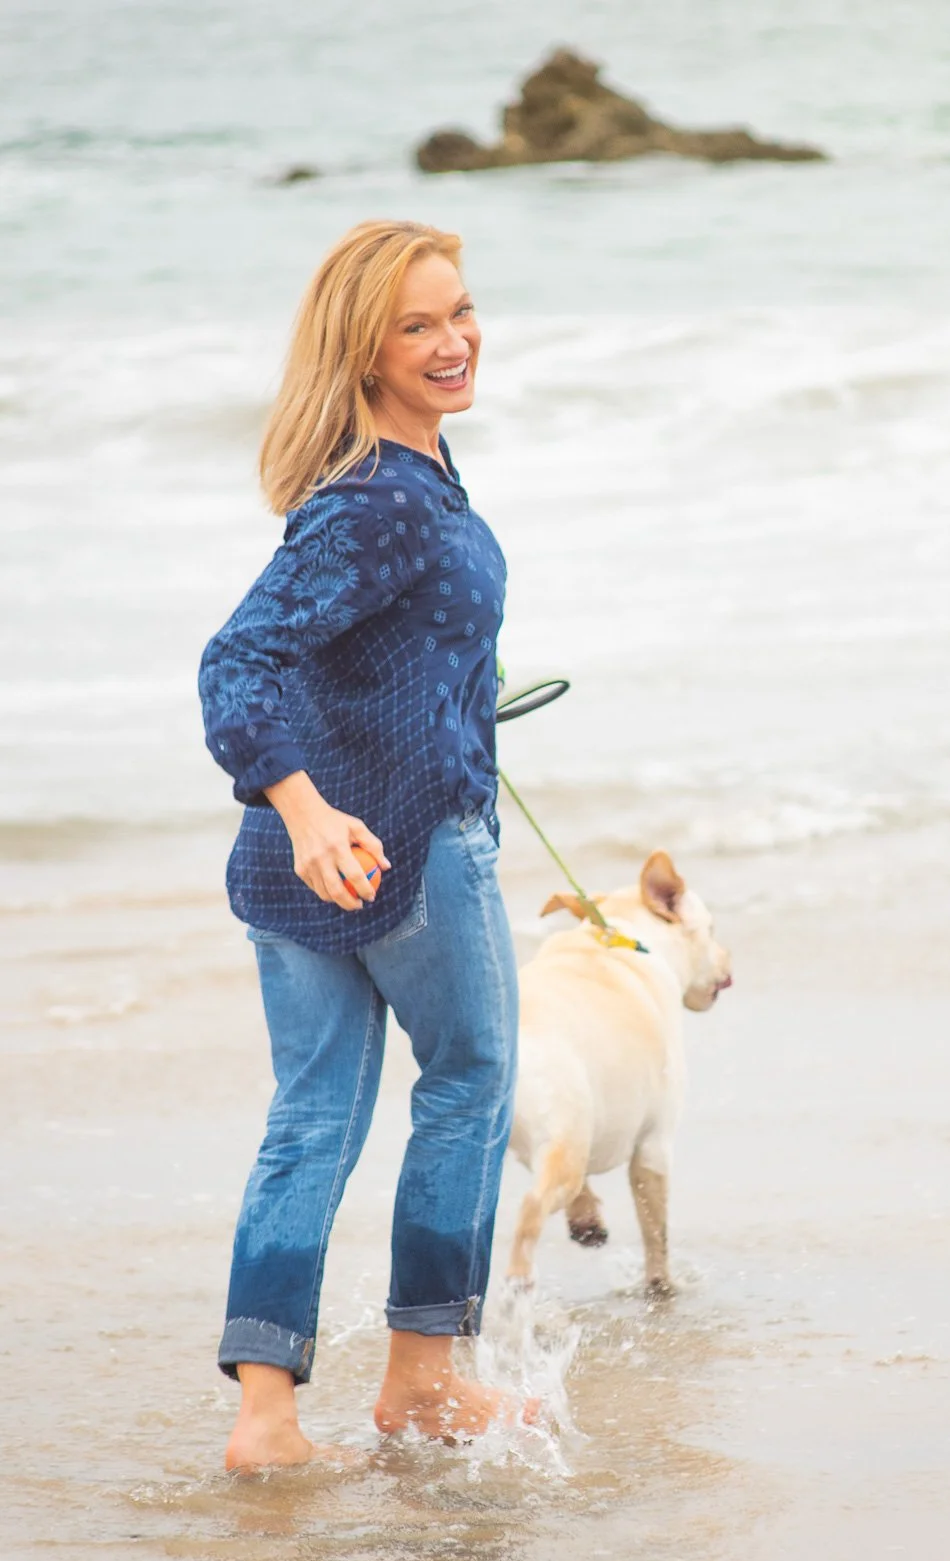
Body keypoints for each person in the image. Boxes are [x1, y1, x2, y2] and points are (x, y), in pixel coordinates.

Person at [198, 219, 534, 1471]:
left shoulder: (397, 476)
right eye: (417, 326)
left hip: (304, 858)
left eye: (461, 311)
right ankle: (424, 1379)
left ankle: (265, 1417)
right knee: (469, 1079)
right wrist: (307, 807)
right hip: (395, 850)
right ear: (364, 350)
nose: (454, 342)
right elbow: (237, 660)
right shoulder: (382, 498)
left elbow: (337, 662)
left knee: (313, 1116)